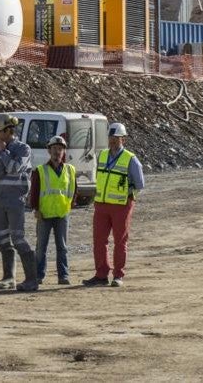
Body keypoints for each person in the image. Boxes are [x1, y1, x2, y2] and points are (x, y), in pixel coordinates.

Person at [83, 122, 145, 288]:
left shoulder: (131, 159)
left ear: (123, 139)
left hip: (121, 205)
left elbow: (140, 184)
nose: (112, 141)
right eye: (110, 138)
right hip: (101, 205)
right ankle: (101, 275)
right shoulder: (102, 155)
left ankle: (118, 275)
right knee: (99, 240)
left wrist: (126, 193)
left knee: (120, 241)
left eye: (116, 138)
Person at [0, 114, 38, 292]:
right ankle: (9, 278)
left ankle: (32, 279)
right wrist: (2, 167)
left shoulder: (23, 149)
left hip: (15, 202)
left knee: (18, 238)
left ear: (8, 131)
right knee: (1, 239)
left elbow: (15, 168)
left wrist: (4, 157)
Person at [31, 136, 77, 285]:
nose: (58, 152)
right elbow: (35, 191)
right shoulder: (40, 170)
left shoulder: (70, 170)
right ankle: (38, 275)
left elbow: (74, 189)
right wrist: (36, 209)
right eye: (55, 149)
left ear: (64, 151)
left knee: (62, 247)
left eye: (60, 149)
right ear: (49, 151)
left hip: (62, 214)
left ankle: (63, 275)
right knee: (41, 248)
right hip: (44, 214)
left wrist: (71, 204)